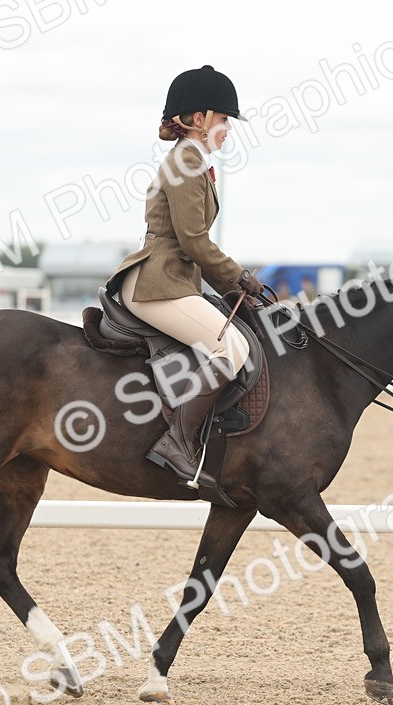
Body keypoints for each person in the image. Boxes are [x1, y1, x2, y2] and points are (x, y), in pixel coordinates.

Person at [104, 65, 262, 493]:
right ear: (199, 119)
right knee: (232, 346)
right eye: (224, 119)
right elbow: (193, 240)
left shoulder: (192, 160)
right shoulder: (187, 162)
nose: (228, 129)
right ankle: (178, 442)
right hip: (158, 283)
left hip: (173, 281)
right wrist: (239, 278)